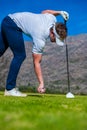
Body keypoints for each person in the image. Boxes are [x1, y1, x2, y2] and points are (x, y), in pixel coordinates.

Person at [0, 10, 69, 97]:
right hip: (12, 25)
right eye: (56, 39)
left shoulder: (52, 19)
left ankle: (10, 88)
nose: (55, 42)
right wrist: (41, 83)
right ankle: (10, 89)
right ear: (52, 33)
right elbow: (36, 62)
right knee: (20, 55)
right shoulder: (40, 37)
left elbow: (45, 12)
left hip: (8, 20)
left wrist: (60, 12)